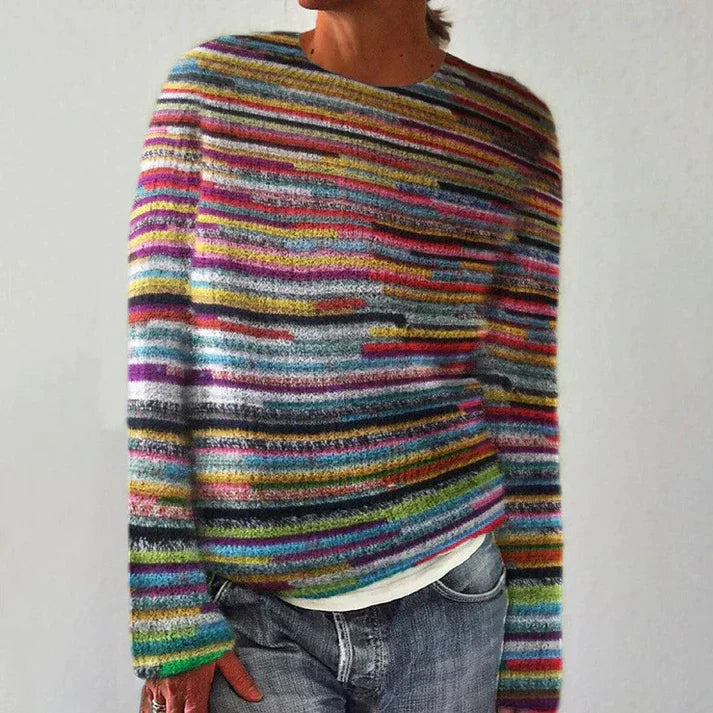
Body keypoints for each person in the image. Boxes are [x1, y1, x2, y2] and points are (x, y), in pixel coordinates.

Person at [126, 2, 564, 712]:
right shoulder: (213, 90)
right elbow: (156, 361)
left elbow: (520, 406)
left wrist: (528, 673)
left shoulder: (509, 130)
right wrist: (168, 612)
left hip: (453, 601)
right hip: (254, 617)